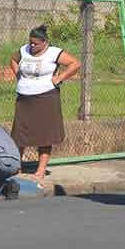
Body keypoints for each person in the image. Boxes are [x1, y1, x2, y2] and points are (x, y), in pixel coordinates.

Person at [9, 25, 80, 185]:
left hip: (46, 98)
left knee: (44, 135)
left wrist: (59, 78)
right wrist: (18, 75)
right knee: (20, 134)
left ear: (45, 42)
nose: (32, 46)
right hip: (24, 99)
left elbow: (75, 64)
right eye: (30, 43)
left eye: (36, 44)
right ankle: (16, 166)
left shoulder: (54, 53)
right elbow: (13, 60)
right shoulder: (24, 50)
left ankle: (40, 170)